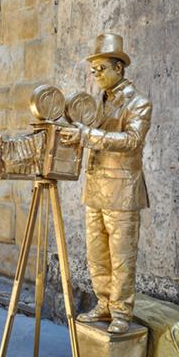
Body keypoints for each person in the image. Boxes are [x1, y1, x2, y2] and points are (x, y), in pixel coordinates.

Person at [61, 33, 152, 334]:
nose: (96, 74)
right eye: (93, 69)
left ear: (119, 68)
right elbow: (85, 130)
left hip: (123, 191)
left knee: (122, 256)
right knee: (96, 253)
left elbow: (132, 140)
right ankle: (103, 304)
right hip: (96, 188)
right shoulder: (96, 102)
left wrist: (87, 135)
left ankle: (121, 312)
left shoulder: (139, 103)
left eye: (102, 68)